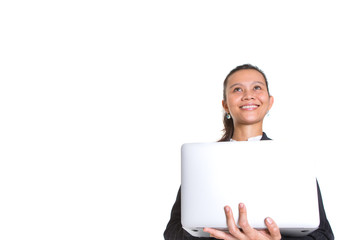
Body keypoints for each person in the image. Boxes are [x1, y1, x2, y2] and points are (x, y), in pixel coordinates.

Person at [164, 64, 334, 240]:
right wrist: (220, 236)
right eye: (237, 89)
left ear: (270, 102)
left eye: (257, 87)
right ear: (226, 105)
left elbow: (324, 235)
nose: (248, 95)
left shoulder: (291, 159)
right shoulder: (203, 161)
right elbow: (172, 233)